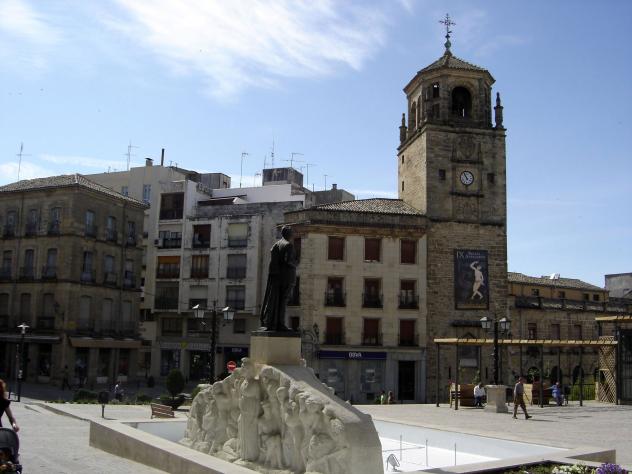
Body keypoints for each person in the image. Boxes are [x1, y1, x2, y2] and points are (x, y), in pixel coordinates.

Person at [260, 225, 297, 332]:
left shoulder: (276, 245)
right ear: (289, 234)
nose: (293, 235)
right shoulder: (288, 245)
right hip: (287, 277)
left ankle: (273, 322)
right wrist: (295, 263)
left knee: (276, 300)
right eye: (292, 233)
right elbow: (288, 261)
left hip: (277, 278)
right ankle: (281, 324)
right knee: (283, 301)